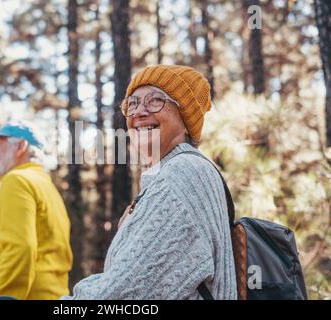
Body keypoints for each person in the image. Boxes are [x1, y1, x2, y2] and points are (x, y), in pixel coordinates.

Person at [62, 65, 237, 299]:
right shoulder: (169, 175)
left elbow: (121, 294)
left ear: (186, 120)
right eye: (132, 104)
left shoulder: (183, 173)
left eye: (156, 101)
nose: (139, 112)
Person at [0, 121, 72, 300]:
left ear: (21, 146)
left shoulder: (16, 180)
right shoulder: (47, 186)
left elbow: (20, 248)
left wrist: (5, 296)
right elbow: (39, 256)